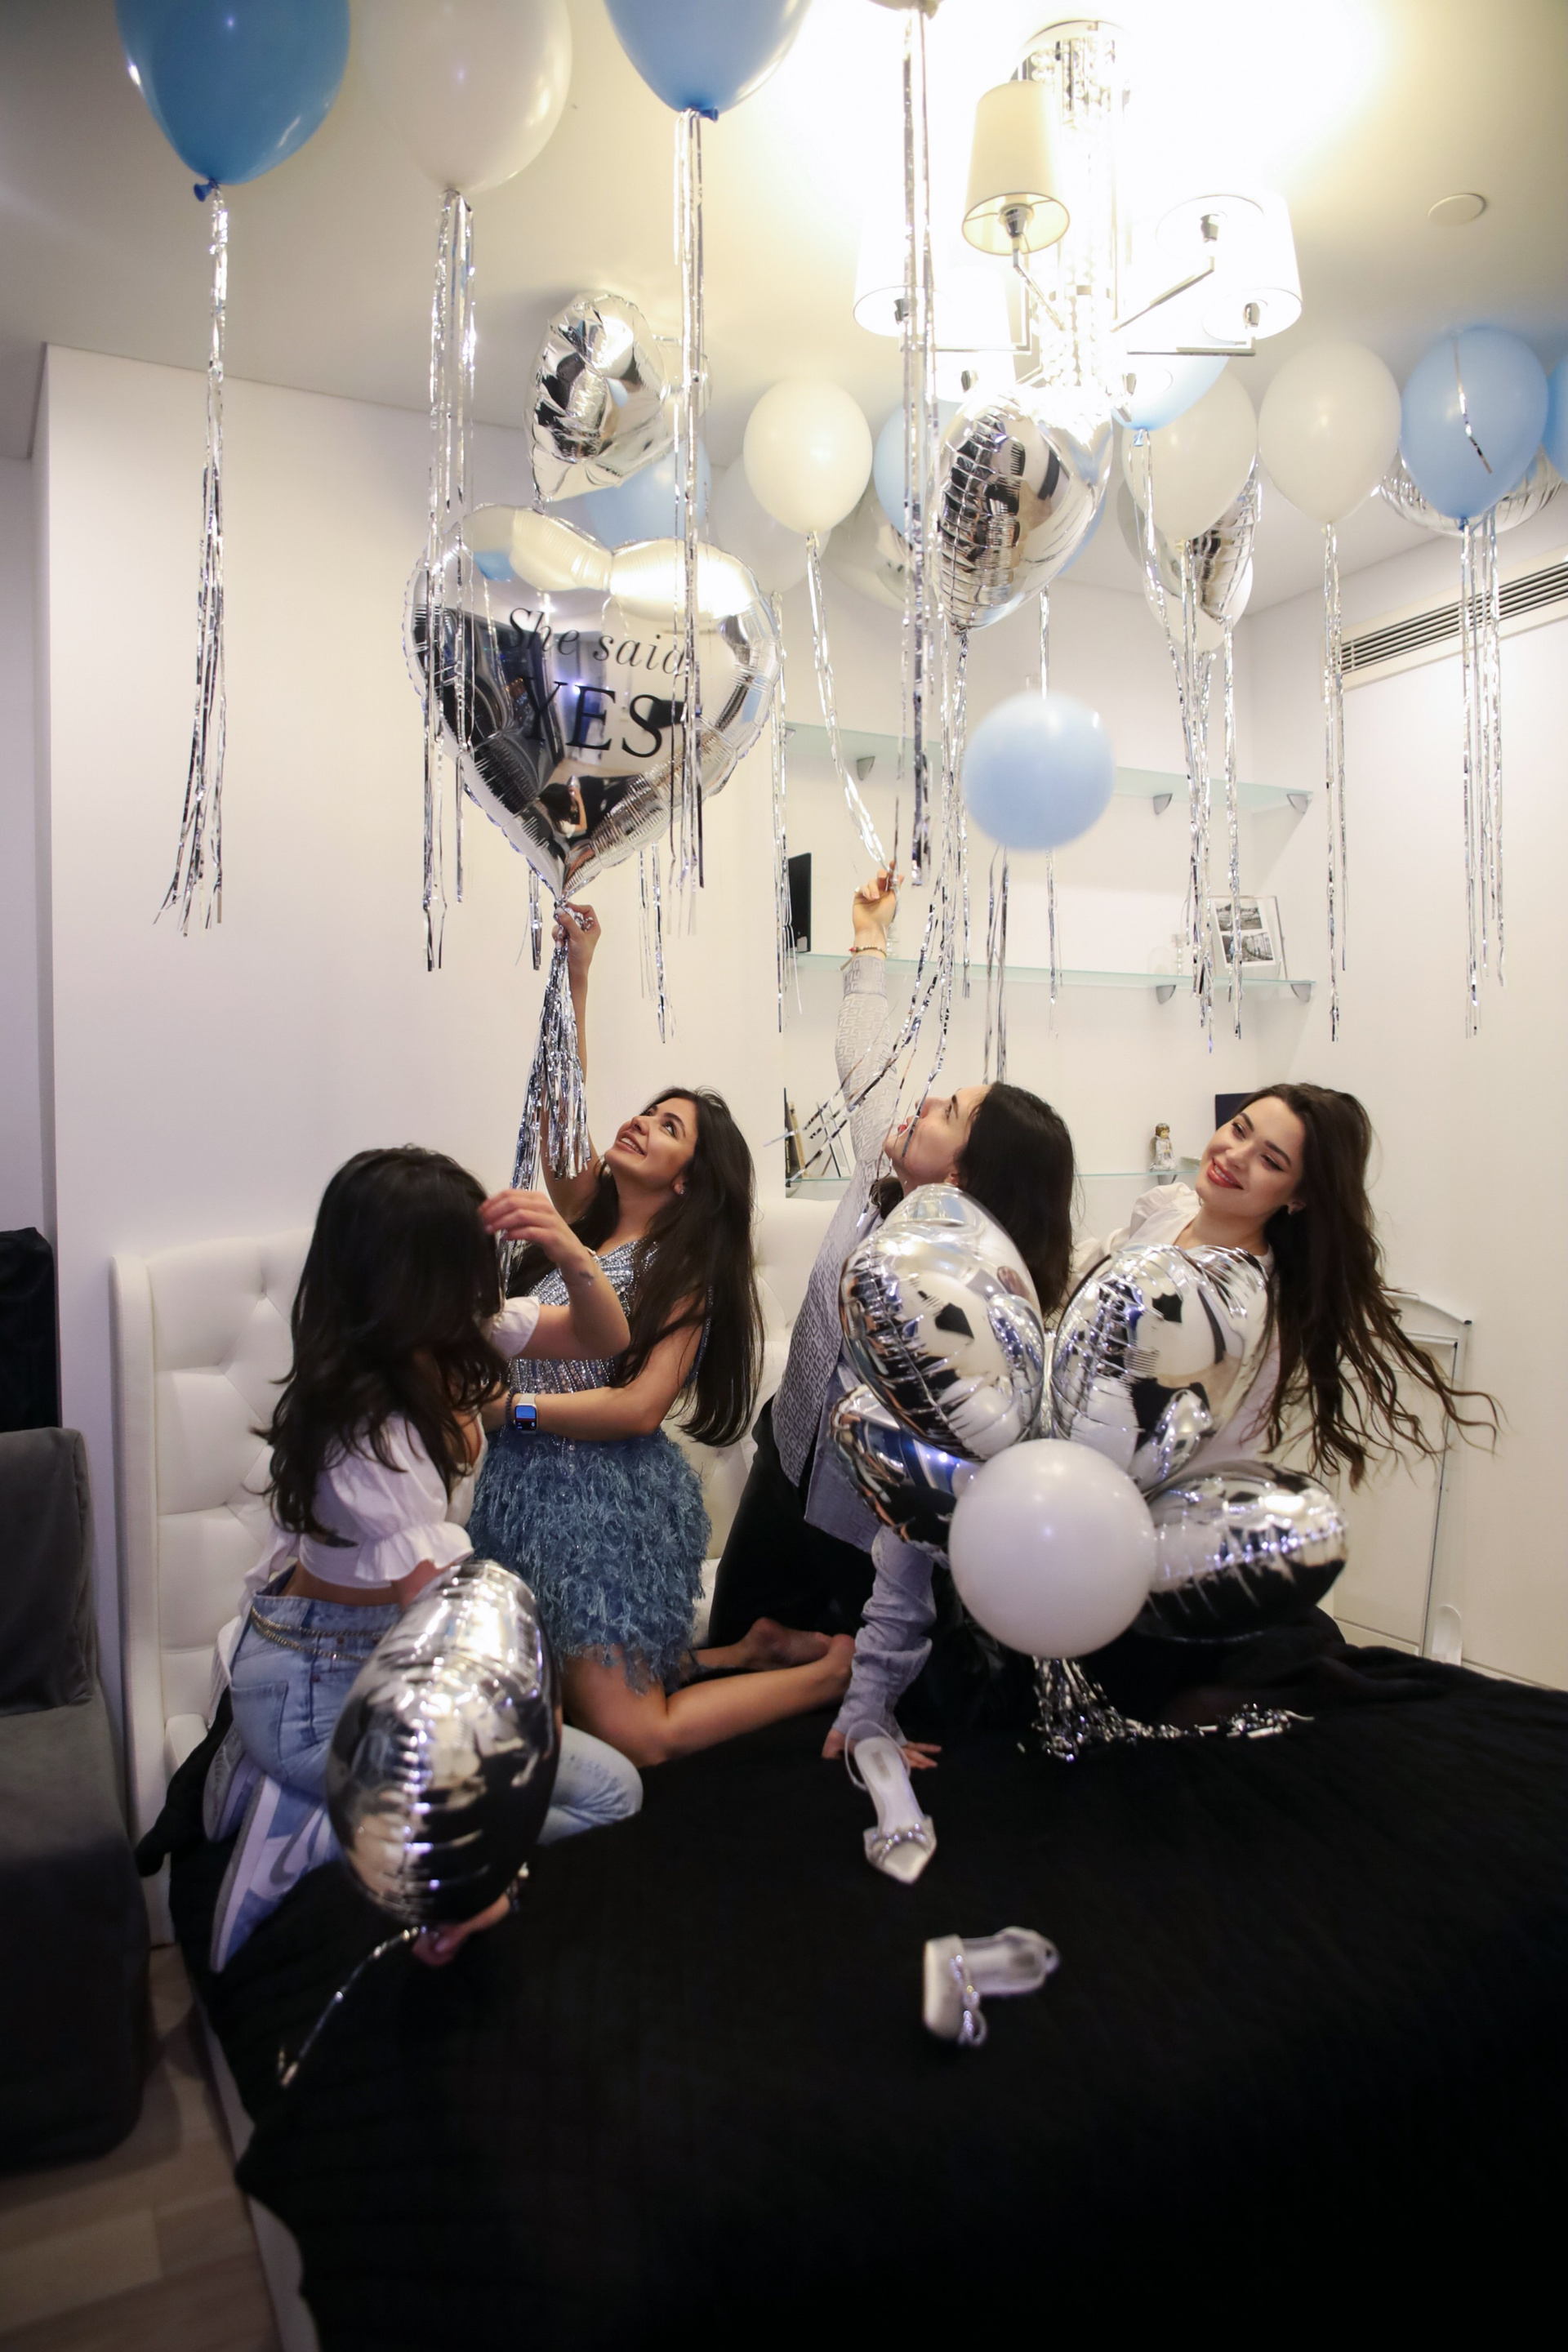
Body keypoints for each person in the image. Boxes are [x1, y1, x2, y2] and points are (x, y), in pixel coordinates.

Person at [209, 1145, 642, 1971]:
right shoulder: (372, 1432)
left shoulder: (444, 1344)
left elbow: (605, 1335)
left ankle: (345, 1828)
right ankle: (320, 1841)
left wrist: (570, 1247)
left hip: (374, 1651)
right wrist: (476, 1874)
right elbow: (452, 1636)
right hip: (317, 1687)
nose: (485, 1273)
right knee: (596, 1792)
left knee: (608, 1788)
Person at [470, 903, 854, 1771]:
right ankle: (746, 1649)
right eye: (649, 1112)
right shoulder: (583, 1221)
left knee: (637, 1737)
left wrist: (512, 1413)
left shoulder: (680, 1274)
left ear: (688, 1182)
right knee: (558, 1706)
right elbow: (558, 1111)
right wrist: (575, 974)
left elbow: (641, 1408)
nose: (640, 1123)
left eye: (668, 1127)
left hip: (604, 1505)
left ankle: (829, 1673)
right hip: (525, 1495)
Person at [706, 869, 1077, 1671]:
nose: (925, 1101)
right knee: (730, 1645)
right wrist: (870, 937)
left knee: (838, 1690)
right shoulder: (886, 1180)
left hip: (867, 1524)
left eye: (950, 1112)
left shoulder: (970, 1295)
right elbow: (865, 1061)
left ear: (966, 1175)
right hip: (787, 1457)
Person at [1080, 1083, 1499, 1722]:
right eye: (1240, 1129)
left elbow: (1193, 1456)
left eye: (1270, 1161)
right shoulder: (1167, 1212)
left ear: (1297, 1197)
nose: (1235, 1156)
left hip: (1154, 1536)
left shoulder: (1250, 1310)